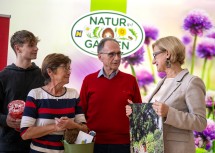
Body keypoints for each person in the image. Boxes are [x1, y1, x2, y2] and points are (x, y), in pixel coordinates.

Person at [126, 36, 207, 153]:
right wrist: (137, 113)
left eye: (155, 55)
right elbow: (155, 116)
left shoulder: (191, 82)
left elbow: (200, 122)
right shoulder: (161, 82)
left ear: (167, 54)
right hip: (154, 148)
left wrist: (169, 113)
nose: (153, 61)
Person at [79, 38, 142, 153]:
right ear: (100, 57)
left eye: (119, 53)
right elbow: (81, 113)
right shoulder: (89, 80)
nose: (117, 58)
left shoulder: (131, 80)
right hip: (93, 143)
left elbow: (139, 114)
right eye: (111, 54)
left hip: (123, 144)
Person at [20, 53, 88, 153]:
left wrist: (72, 124)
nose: (69, 72)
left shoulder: (73, 94)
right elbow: (25, 134)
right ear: (50, 71)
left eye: (69, 68)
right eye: (65, 68)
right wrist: (55, 127)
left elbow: (85, 129)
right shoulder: (35, 94)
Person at [0, 30, 45, 153]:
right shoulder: (3, 76)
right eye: (31, 45)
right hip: (9, 144)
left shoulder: (43, 76)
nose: (36, 48)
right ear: (18, 48)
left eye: (36, 45)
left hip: (38, 143)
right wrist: (5, 120)